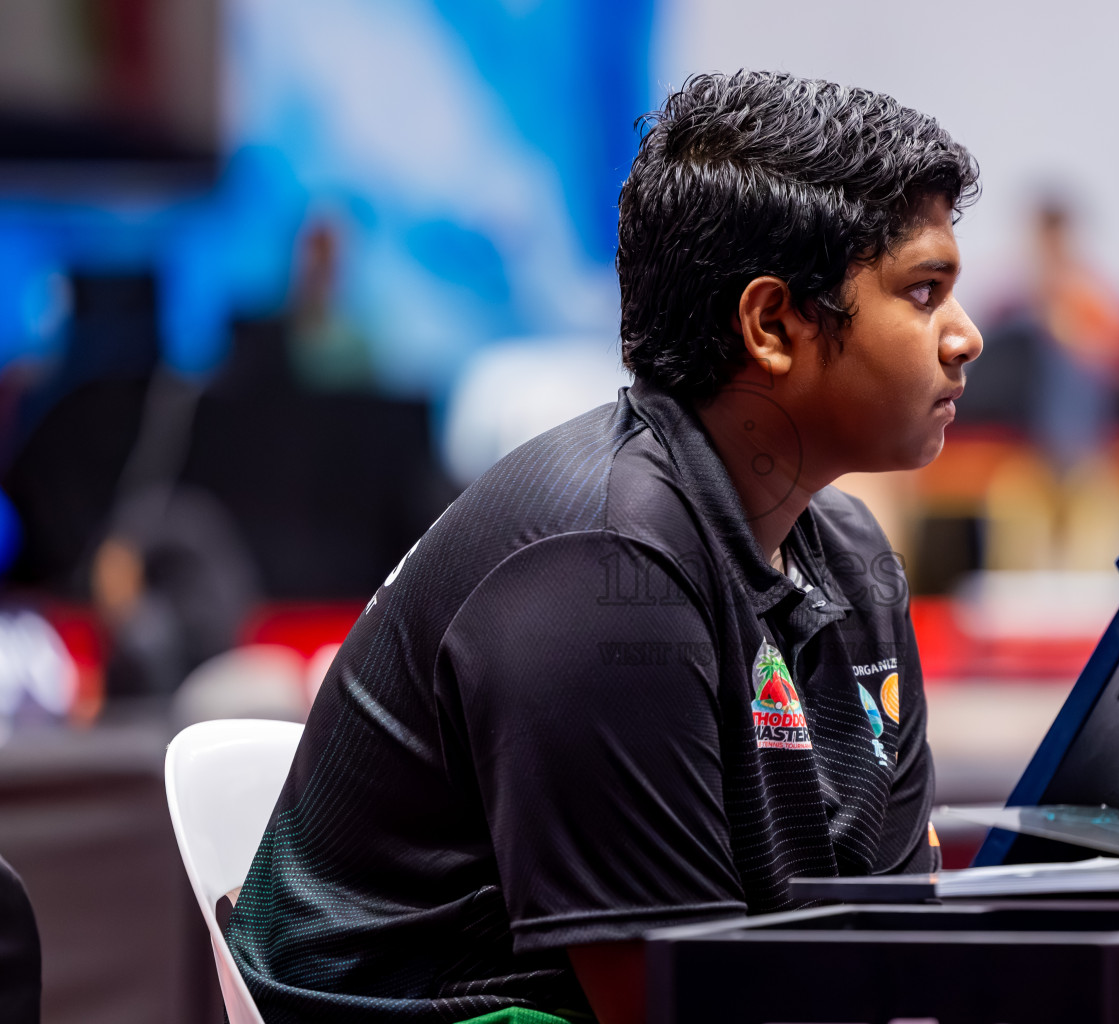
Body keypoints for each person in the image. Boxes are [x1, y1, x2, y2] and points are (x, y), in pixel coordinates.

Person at [224, 70, 982, 1024]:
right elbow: (668, 1006)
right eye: (924, 292)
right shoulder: (598, 566)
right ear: (773, 325)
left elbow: (899, 938)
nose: (967, 336)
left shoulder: (856, 562)